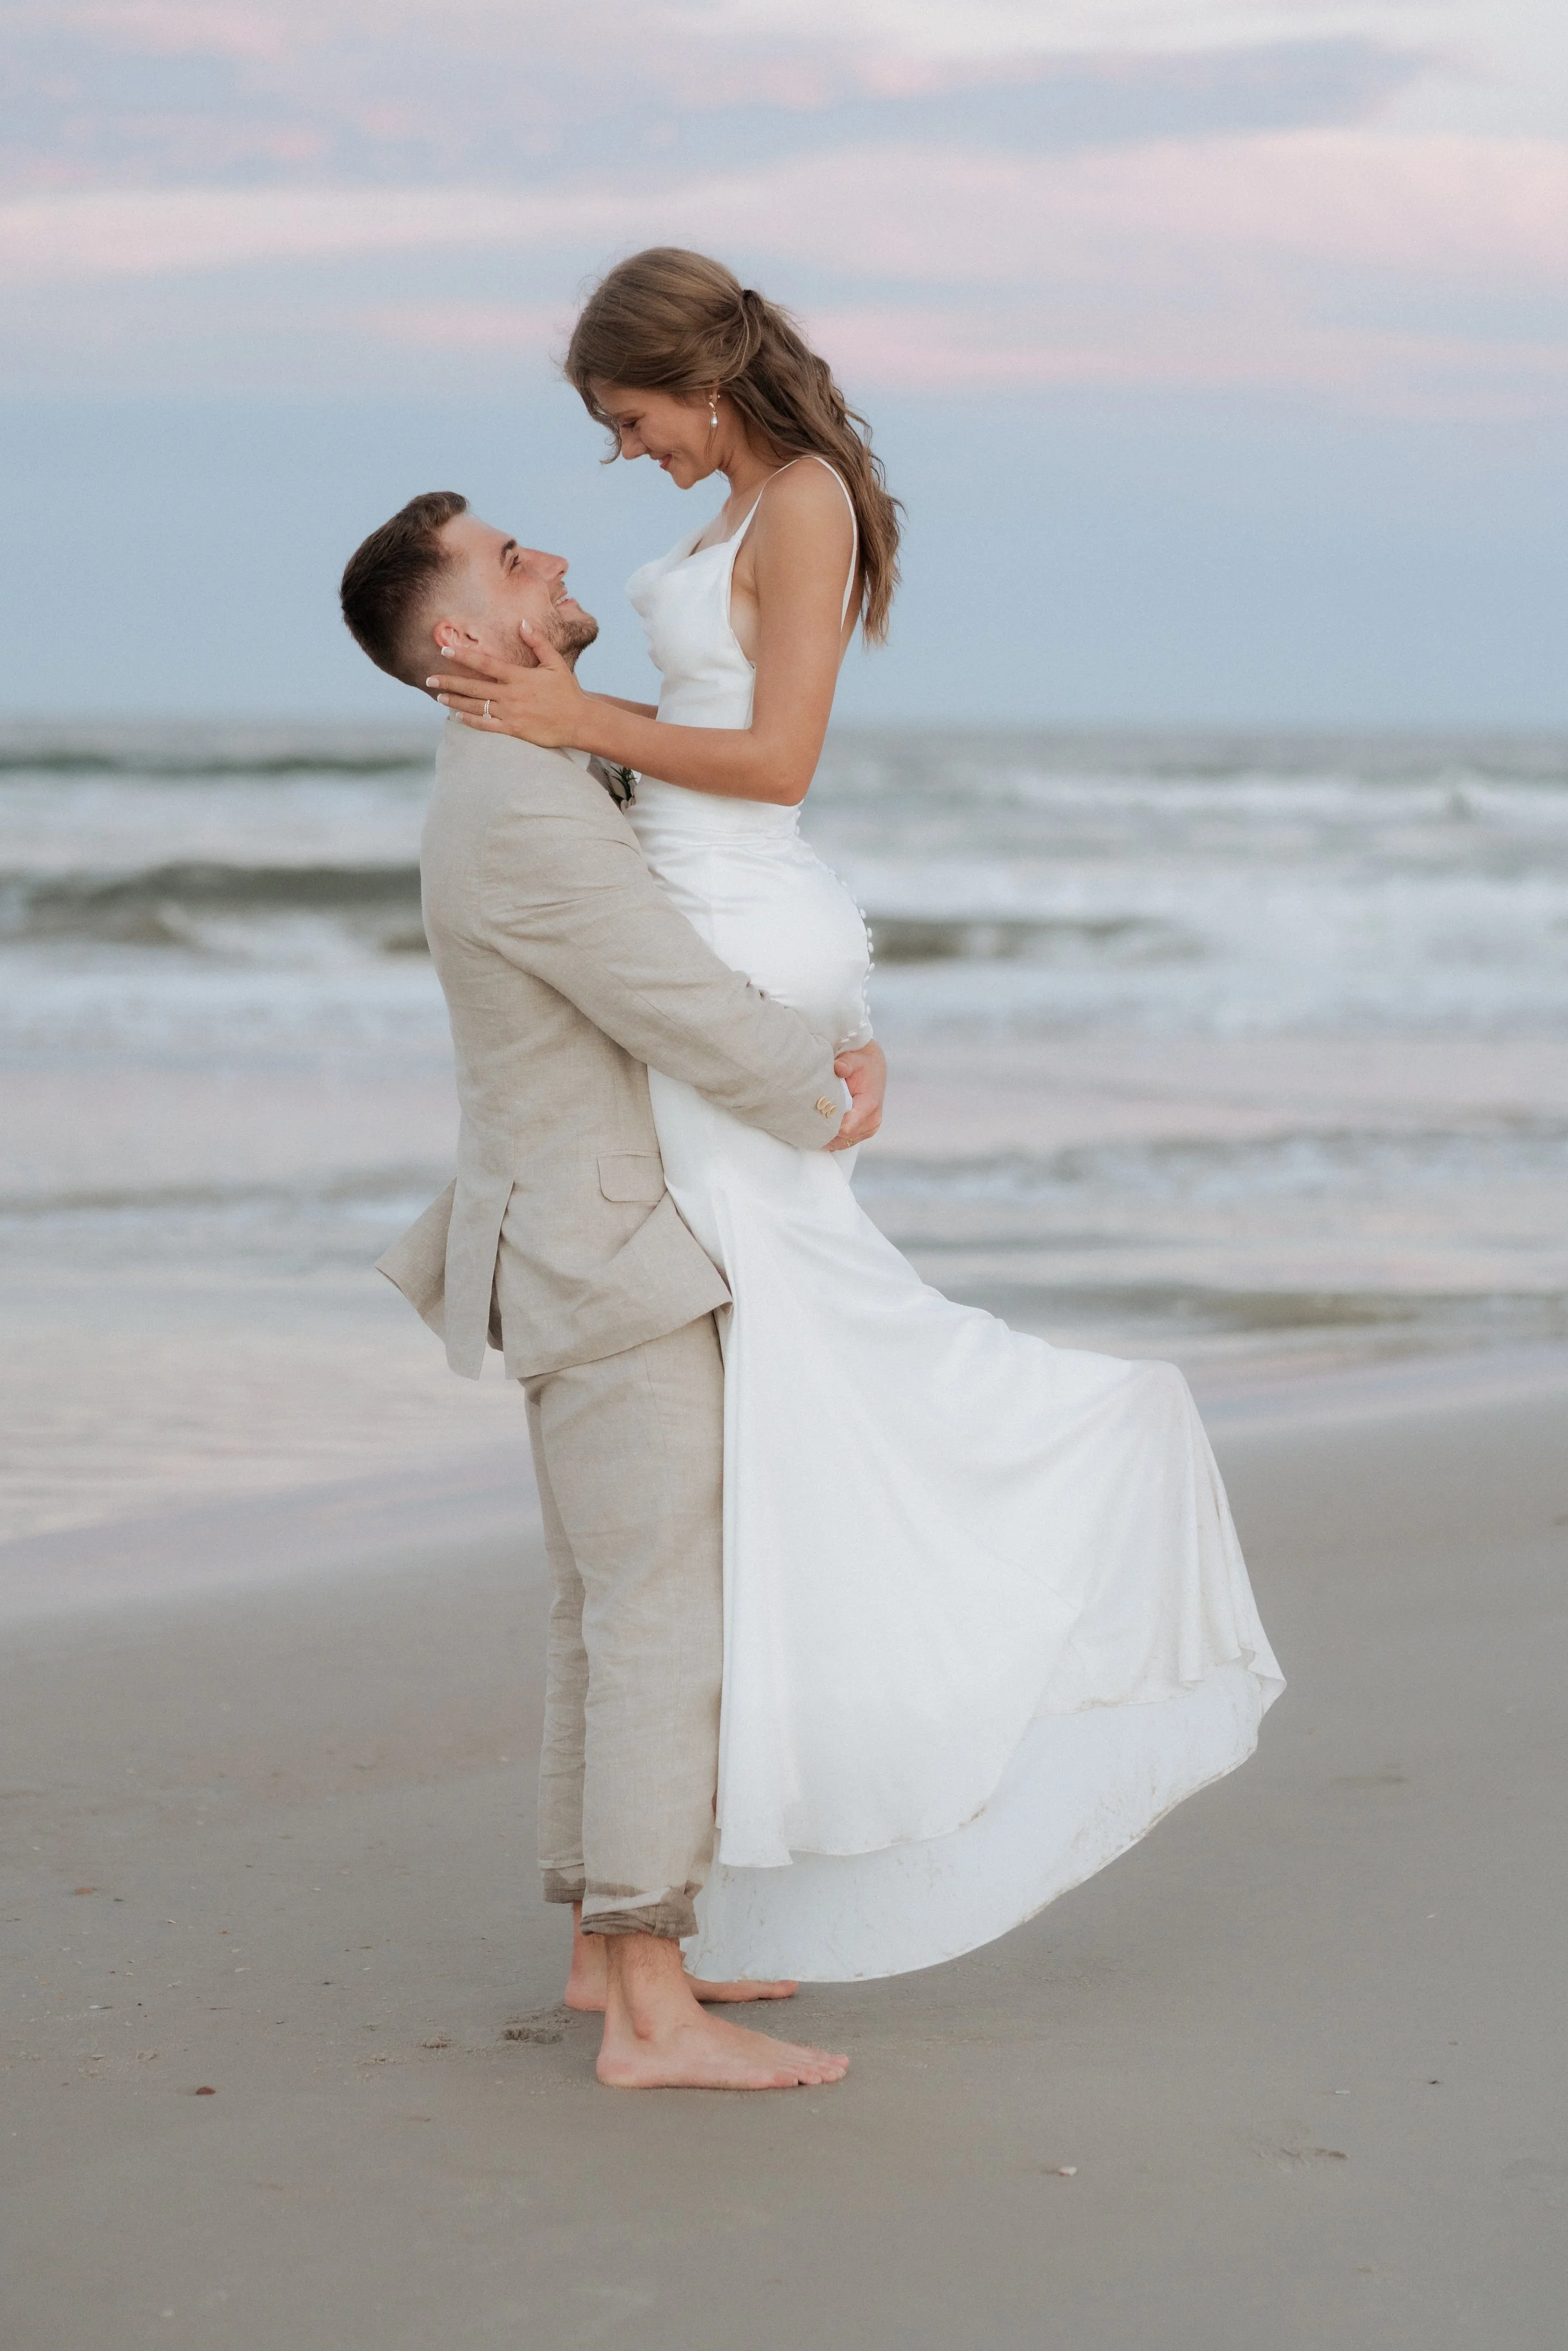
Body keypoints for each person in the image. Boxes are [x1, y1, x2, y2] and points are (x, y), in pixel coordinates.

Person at [423, 248, 1284, 1989]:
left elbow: (778, 765)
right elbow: (716, 769)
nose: (624, 454)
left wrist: (573, 714)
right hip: (744, 931)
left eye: (627, 416)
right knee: (764, 1398)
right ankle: (687, 1897)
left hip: (739, 917)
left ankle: (1045, 1518)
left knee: (799, 1380)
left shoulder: (799, 499)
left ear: (692, 376)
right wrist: (837, 1000)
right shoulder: (750, 502)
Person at [340, 491, 889, 2088]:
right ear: (462, 638)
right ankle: (654, 2013)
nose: (556, 560)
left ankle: (604, 1952)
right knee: (660, 1614)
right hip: (603, 1249)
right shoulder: (519, 799)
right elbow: (667, 998)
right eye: (514, 561)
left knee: (607, 1601)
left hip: (568, 1238)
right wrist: (824, 1086)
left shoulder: (525, 762)